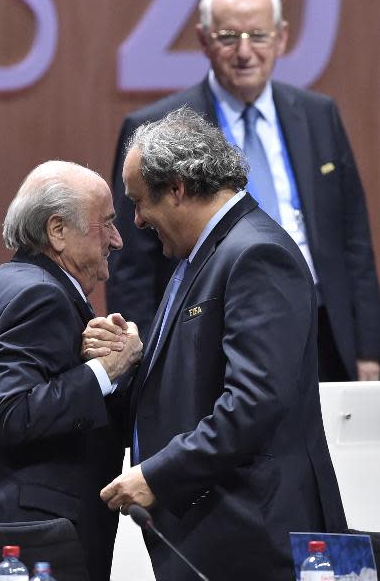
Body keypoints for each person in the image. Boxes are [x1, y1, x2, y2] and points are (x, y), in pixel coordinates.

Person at [95, 108, 346, 581]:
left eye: (140, 201)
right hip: (218, 529)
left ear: (177, 188)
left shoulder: (257, 254)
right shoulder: (205, 255)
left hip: (256, 533)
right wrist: (133, 357)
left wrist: (156, 475)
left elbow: (252, 403)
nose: (137, 220)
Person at [107, 0, 380, 381]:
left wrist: (368, 351)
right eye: (229, 36)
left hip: (321, 326)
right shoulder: (159, 128)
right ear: (203, 40)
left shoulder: (319, 115)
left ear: (282, 38)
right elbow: (133, 267)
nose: (245, 52)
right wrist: (147, 363)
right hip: (210, 330)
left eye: (259, 35)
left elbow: (353, 240)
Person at [0, 160, 143, 581]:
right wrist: (106, 370)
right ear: (57, 230)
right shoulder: (39, 296)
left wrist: (84, 361)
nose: (117, 239)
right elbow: (12, 413)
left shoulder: (7, 283)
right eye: (106, 224)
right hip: (16, 550)